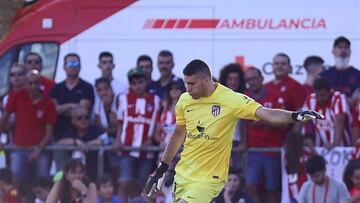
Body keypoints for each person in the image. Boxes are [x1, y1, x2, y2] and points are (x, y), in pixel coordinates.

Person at [144, 59, 324, 203]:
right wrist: (161, 168)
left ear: (207, 81)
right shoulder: (185, 100)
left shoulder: (231, 99)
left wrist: (295, 115)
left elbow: (267, 114)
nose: (187, 89)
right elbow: (178, 134)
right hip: (183, 174)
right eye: (186, 83)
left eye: (192, 84)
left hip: (209, 178)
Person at [0, 70, 56, 184]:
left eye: (36, 83)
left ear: (40, 83)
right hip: (19, 149)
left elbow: (49, 131)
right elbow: (4, 119)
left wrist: (38, 150)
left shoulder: (49, 103)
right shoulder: (16, 96)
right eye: (30, 83)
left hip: (41, 150)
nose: (33, 86)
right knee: (15, 182)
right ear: (25, 83)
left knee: (42, 182)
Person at [114, 67, 161, 202]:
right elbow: (120, 122)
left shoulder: (155, 99)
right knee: (124, 182)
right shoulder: (124, 98)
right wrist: (118, 140)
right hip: (127, 149)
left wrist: (151, 139)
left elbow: (157, 123)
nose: (137, 86)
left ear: (146, 82)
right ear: (130, 84)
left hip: (146, 151)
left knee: (142, 185)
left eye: (140, 82)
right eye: (134, 83)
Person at [243, 67, 286, 203]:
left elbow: (284, 123)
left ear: (262, 78)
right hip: (253, 151)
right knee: (250, 186)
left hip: (272, 151)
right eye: (249, 79)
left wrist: (263, 121)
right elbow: (243, 124)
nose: (252, 82)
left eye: (254, 78)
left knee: (272, 189)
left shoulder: (275, 96)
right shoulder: (244, 98)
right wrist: (244, 144)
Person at [50, 53, 94, 170]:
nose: (73, 66)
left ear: (80, 66)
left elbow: (83, 110)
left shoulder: (87, 87)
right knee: (61, 171)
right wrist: (72, 105)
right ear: (64, 67)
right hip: (60, 136)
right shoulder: (56, 89)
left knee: (82, 171)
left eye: (76, 63)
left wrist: (63, 108)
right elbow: (54, 110)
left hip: (83, 138)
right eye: (70, 63)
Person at [299, 77, 351, 148]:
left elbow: (340, 121)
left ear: (330, 92)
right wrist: (307, 138)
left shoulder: (338, 98)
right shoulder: (310, 100)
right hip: (320, 147)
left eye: (323, 95)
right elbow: (303, 121)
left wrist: (335, 144)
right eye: (317, 95)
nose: (320, 98)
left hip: (342, 147)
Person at [58, 105, 108, 180]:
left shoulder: (95, 129)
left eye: (86, 117)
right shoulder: (70, 131)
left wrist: (86, 144)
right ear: (73, 121)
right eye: (79, 118)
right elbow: (61, 142)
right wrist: (76, 141)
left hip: (95, 171)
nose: (83, 120)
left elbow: (104, 139)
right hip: (76, 174)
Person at [283, 132, 316, 202]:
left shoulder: (286, 157)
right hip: (305, 192)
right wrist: (311, 147)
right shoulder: (305, 156)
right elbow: (318, 160)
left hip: (293, 193)